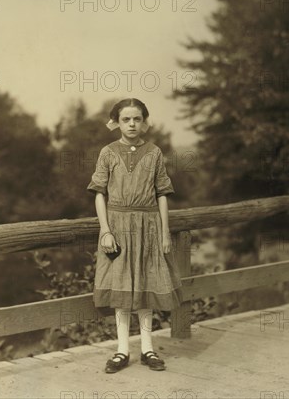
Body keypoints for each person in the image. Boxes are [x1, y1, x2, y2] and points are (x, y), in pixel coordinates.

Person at [87, 98, 182, 373]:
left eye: (137, 119)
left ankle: (148, 348)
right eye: (126, 119)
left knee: (145, 285)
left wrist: (164, 232)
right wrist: (105, 230)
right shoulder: (107, 152)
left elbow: (162, 194)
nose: (131, 124)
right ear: (117, 122)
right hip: (117, 226)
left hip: (149, 227)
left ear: (144, 122)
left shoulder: (154, 153)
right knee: (121, 288)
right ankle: (122, 350)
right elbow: (99, 193)